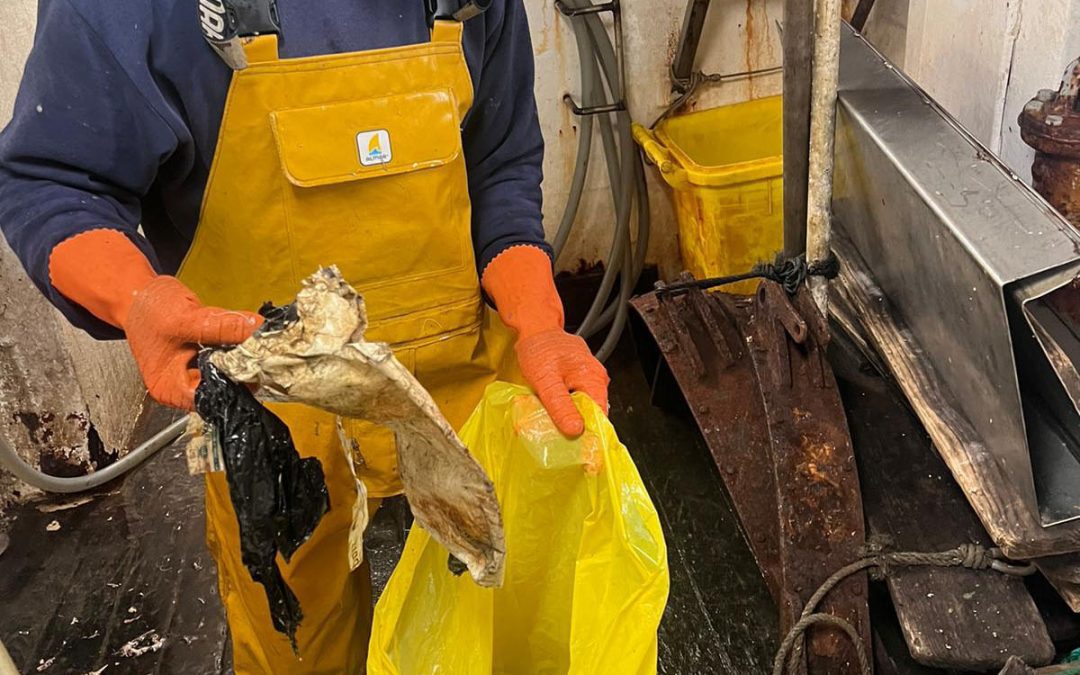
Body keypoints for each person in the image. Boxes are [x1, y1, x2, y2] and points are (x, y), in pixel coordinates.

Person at [0, 0, 609, 672]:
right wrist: (137, 297)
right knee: (298, 645)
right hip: (271, 416)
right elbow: (55, 179)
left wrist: (542, 325)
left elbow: (499, 166)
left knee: (507, 628)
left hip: (462, 380)